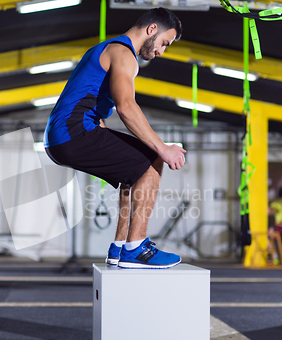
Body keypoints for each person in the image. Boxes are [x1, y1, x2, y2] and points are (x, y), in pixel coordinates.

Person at [44, 8, 185, 269]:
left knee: (133, 166)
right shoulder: (123, 54)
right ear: (151, 29)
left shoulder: (105, 49)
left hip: (62, 136)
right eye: (164, 43)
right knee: (152, 158)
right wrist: (163, 149)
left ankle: (120, 247)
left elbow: (88, 102)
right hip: (71, 133)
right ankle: (137, 248)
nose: (161, 52)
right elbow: (126, 107)